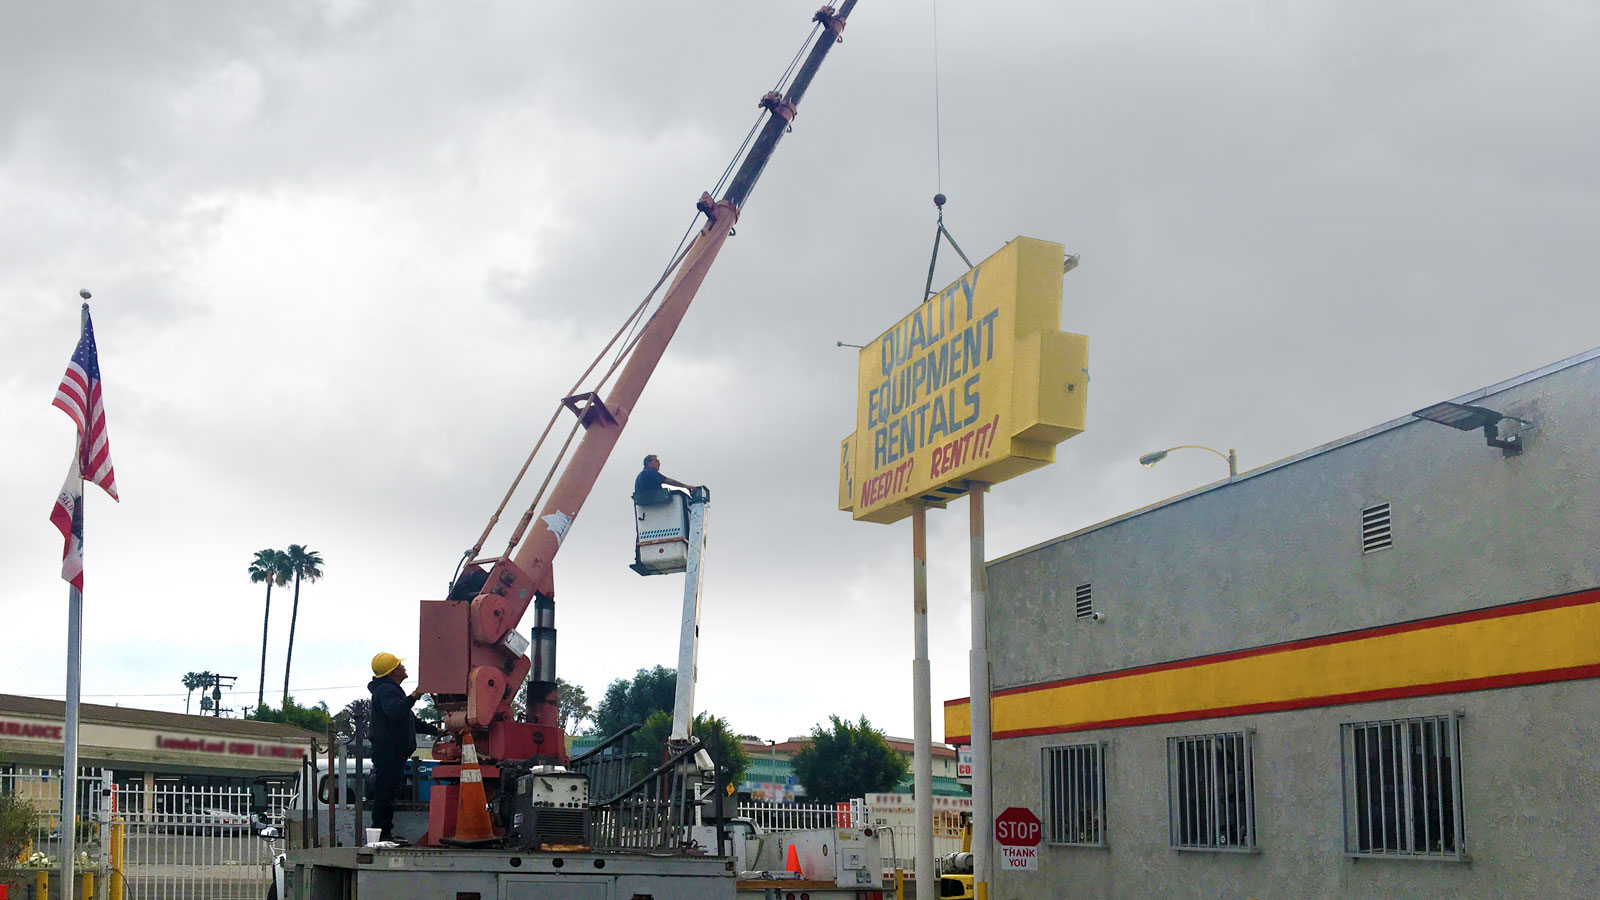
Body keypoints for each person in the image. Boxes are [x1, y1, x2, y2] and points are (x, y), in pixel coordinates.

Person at [367, 652, 442, 842]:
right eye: (399, 665)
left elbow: (409, 719)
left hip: (393, 751)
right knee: (385, 792)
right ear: (393, 671)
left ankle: (384, 832)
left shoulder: (389, 691)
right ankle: (382, 833)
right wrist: (415, 695)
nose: (403, 667)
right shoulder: (386, 690)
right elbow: (397, 712)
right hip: (389, 751)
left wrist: (437, 730)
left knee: (387, 791)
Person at [633, 454, 698, 506]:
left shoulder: (642, 475)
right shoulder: (649, 472)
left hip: (645, 503)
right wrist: (686, 486)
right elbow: (667, 481)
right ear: (648, 463)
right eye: (656, 461)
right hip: (651, 500)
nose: (659, 463)